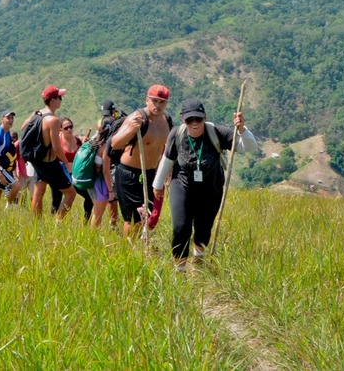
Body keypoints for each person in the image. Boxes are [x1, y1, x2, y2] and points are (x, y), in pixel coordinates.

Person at [151, 98, 259, 269]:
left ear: (205, 117)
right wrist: (157, 184)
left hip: (211, 188)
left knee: (203, 228)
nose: (194, 123)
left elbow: (249, 148)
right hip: (183, 185)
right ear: (183, 119)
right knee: (180, 227)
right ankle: (180, 270)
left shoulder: (217, 132)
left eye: (198, 119)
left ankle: (198, 260)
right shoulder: (177, 134)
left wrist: (241, 129)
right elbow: (168, 159)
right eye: (189, 120)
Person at [109, 84, 172, 239]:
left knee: (146, 216)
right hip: (129, 174)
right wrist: (131, 129)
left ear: (166, 103)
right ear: (147, 100)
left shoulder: (166, 120)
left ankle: (138, 247)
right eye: (154, 101)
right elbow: (115, 144)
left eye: (162, 102)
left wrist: (167, 172)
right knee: (133, 219)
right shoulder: (136, 118)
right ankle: (127, 249)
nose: (158, 105)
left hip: (151, 174)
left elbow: (167, 147)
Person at [28, 85, 77, 219]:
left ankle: (36, 223)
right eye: (59, 97)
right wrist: (66, 163)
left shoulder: (37, 114)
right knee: (71, 194)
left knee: (39, 191)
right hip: (49, 162)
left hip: (37, 160)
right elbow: (57, 148)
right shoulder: (53, 120)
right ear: (53, 100)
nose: (61, 100)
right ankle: (58, 224)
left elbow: (23, 127)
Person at [0, 110, 22, 206]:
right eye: (8, 118)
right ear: (2, 119)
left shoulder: (7, 132)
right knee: (16, 186)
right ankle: (8, 207)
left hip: (2, 166)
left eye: (12, 118)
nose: (10, 120)